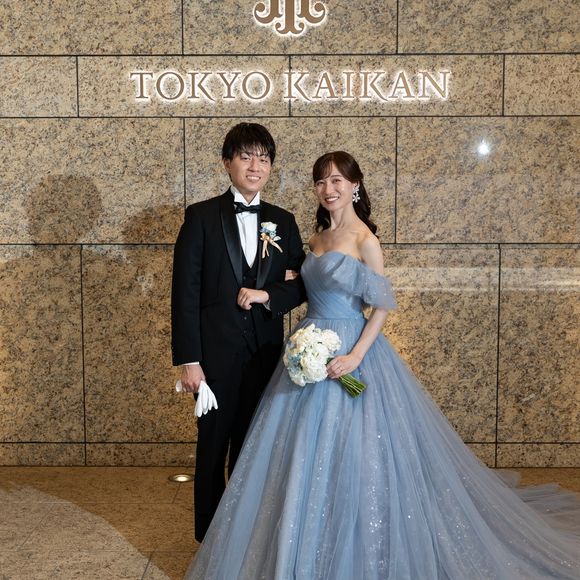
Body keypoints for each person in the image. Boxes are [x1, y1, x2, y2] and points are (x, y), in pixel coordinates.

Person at [184, 151, 580, 579]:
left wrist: (355, 355)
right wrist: (281, 291)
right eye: (321, 181)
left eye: (337, 180)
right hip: (308, 348)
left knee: (357, 452)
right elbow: (296, 287)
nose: (329, 189)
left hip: (352, 351)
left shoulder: (365, 240)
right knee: (295, 456)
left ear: (355, 186)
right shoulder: (314, 240)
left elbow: (382, 306)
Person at [171, 122, 306, 542]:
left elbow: (302, 284)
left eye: (263, 159)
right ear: (227, 162)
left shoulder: (283, 221)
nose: (255, 166)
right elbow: (185, 292)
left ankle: (246, 537)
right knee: (212, 448)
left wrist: (269, 294)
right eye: (245, 157)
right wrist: (189, 360)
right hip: (213, 359)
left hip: (265, 356)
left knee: (253, 449)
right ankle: (209, 542)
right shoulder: (201, 217)